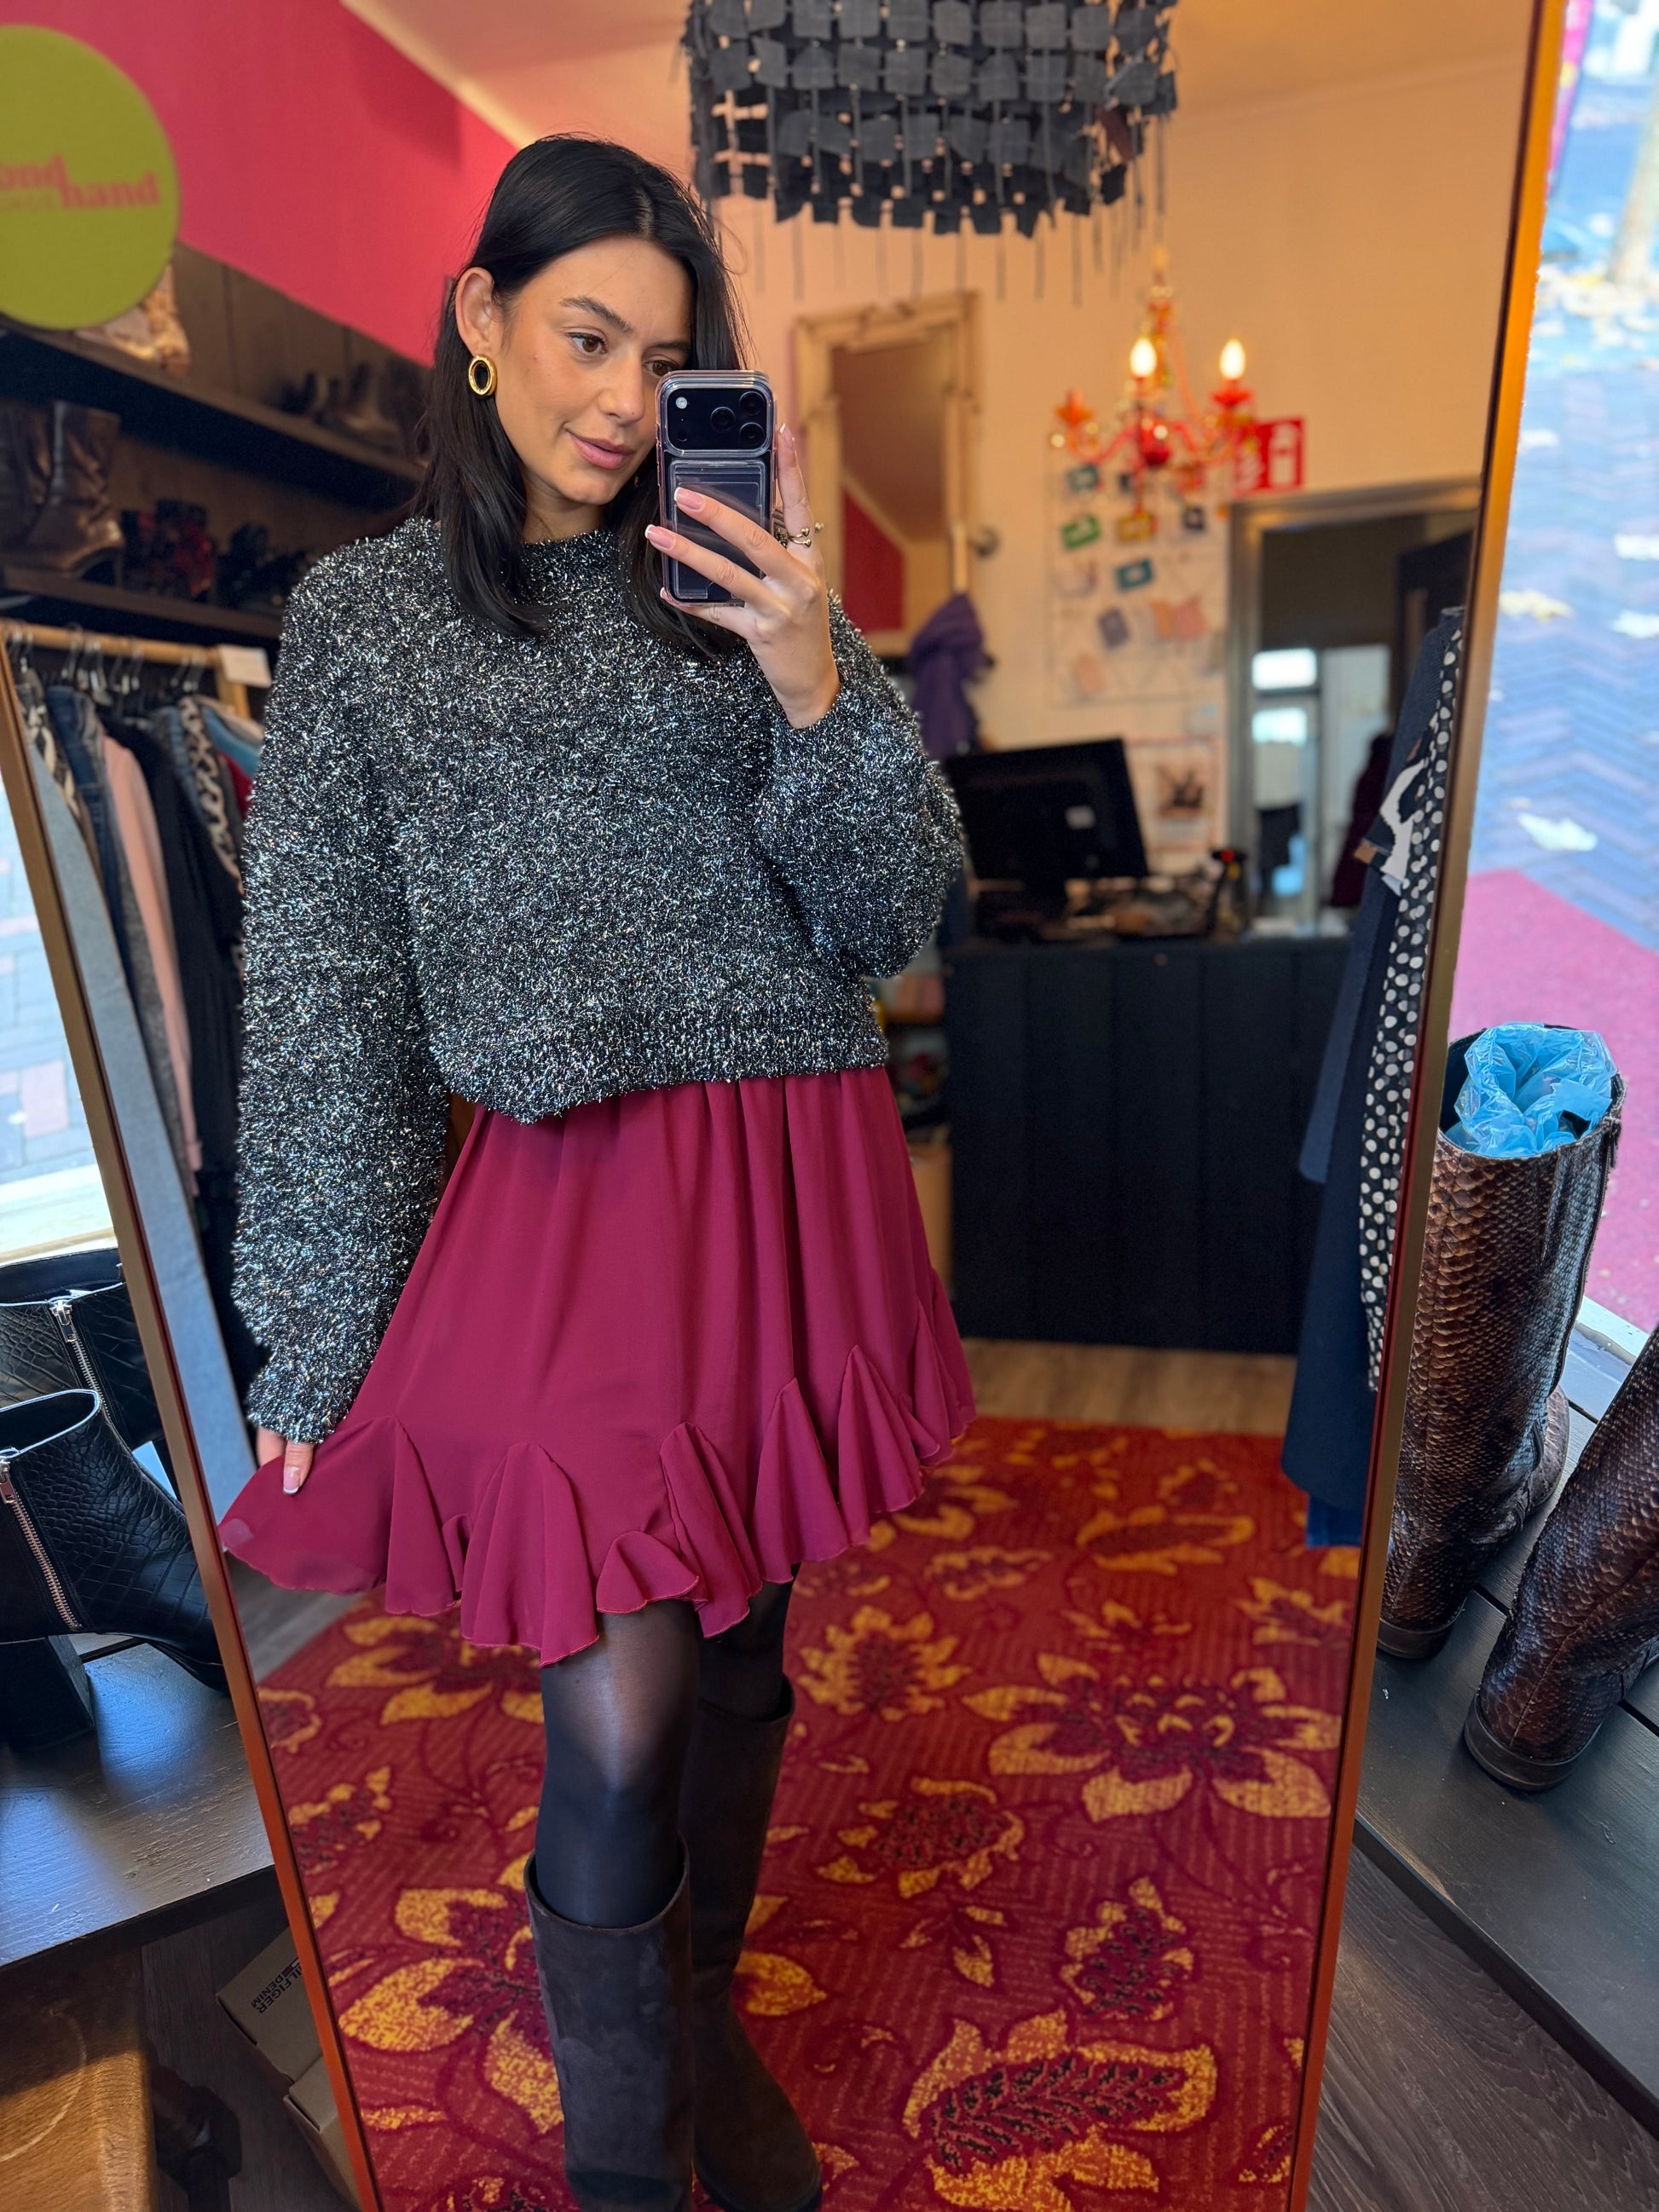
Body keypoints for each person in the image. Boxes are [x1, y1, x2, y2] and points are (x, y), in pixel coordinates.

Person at [217, 137, 973, 2212]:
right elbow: (329, 990)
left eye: (666, 355)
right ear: (479, 318)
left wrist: (814, 679)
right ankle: (628, 2174)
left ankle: (698, 2015)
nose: (629, 400)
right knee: (619, 1711)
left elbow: (891, 915)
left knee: (735, 1644)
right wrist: (316, 1318)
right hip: (567, 1199)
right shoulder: (366, 624)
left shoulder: (741, 586)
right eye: (585, 336)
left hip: (791, 1168)